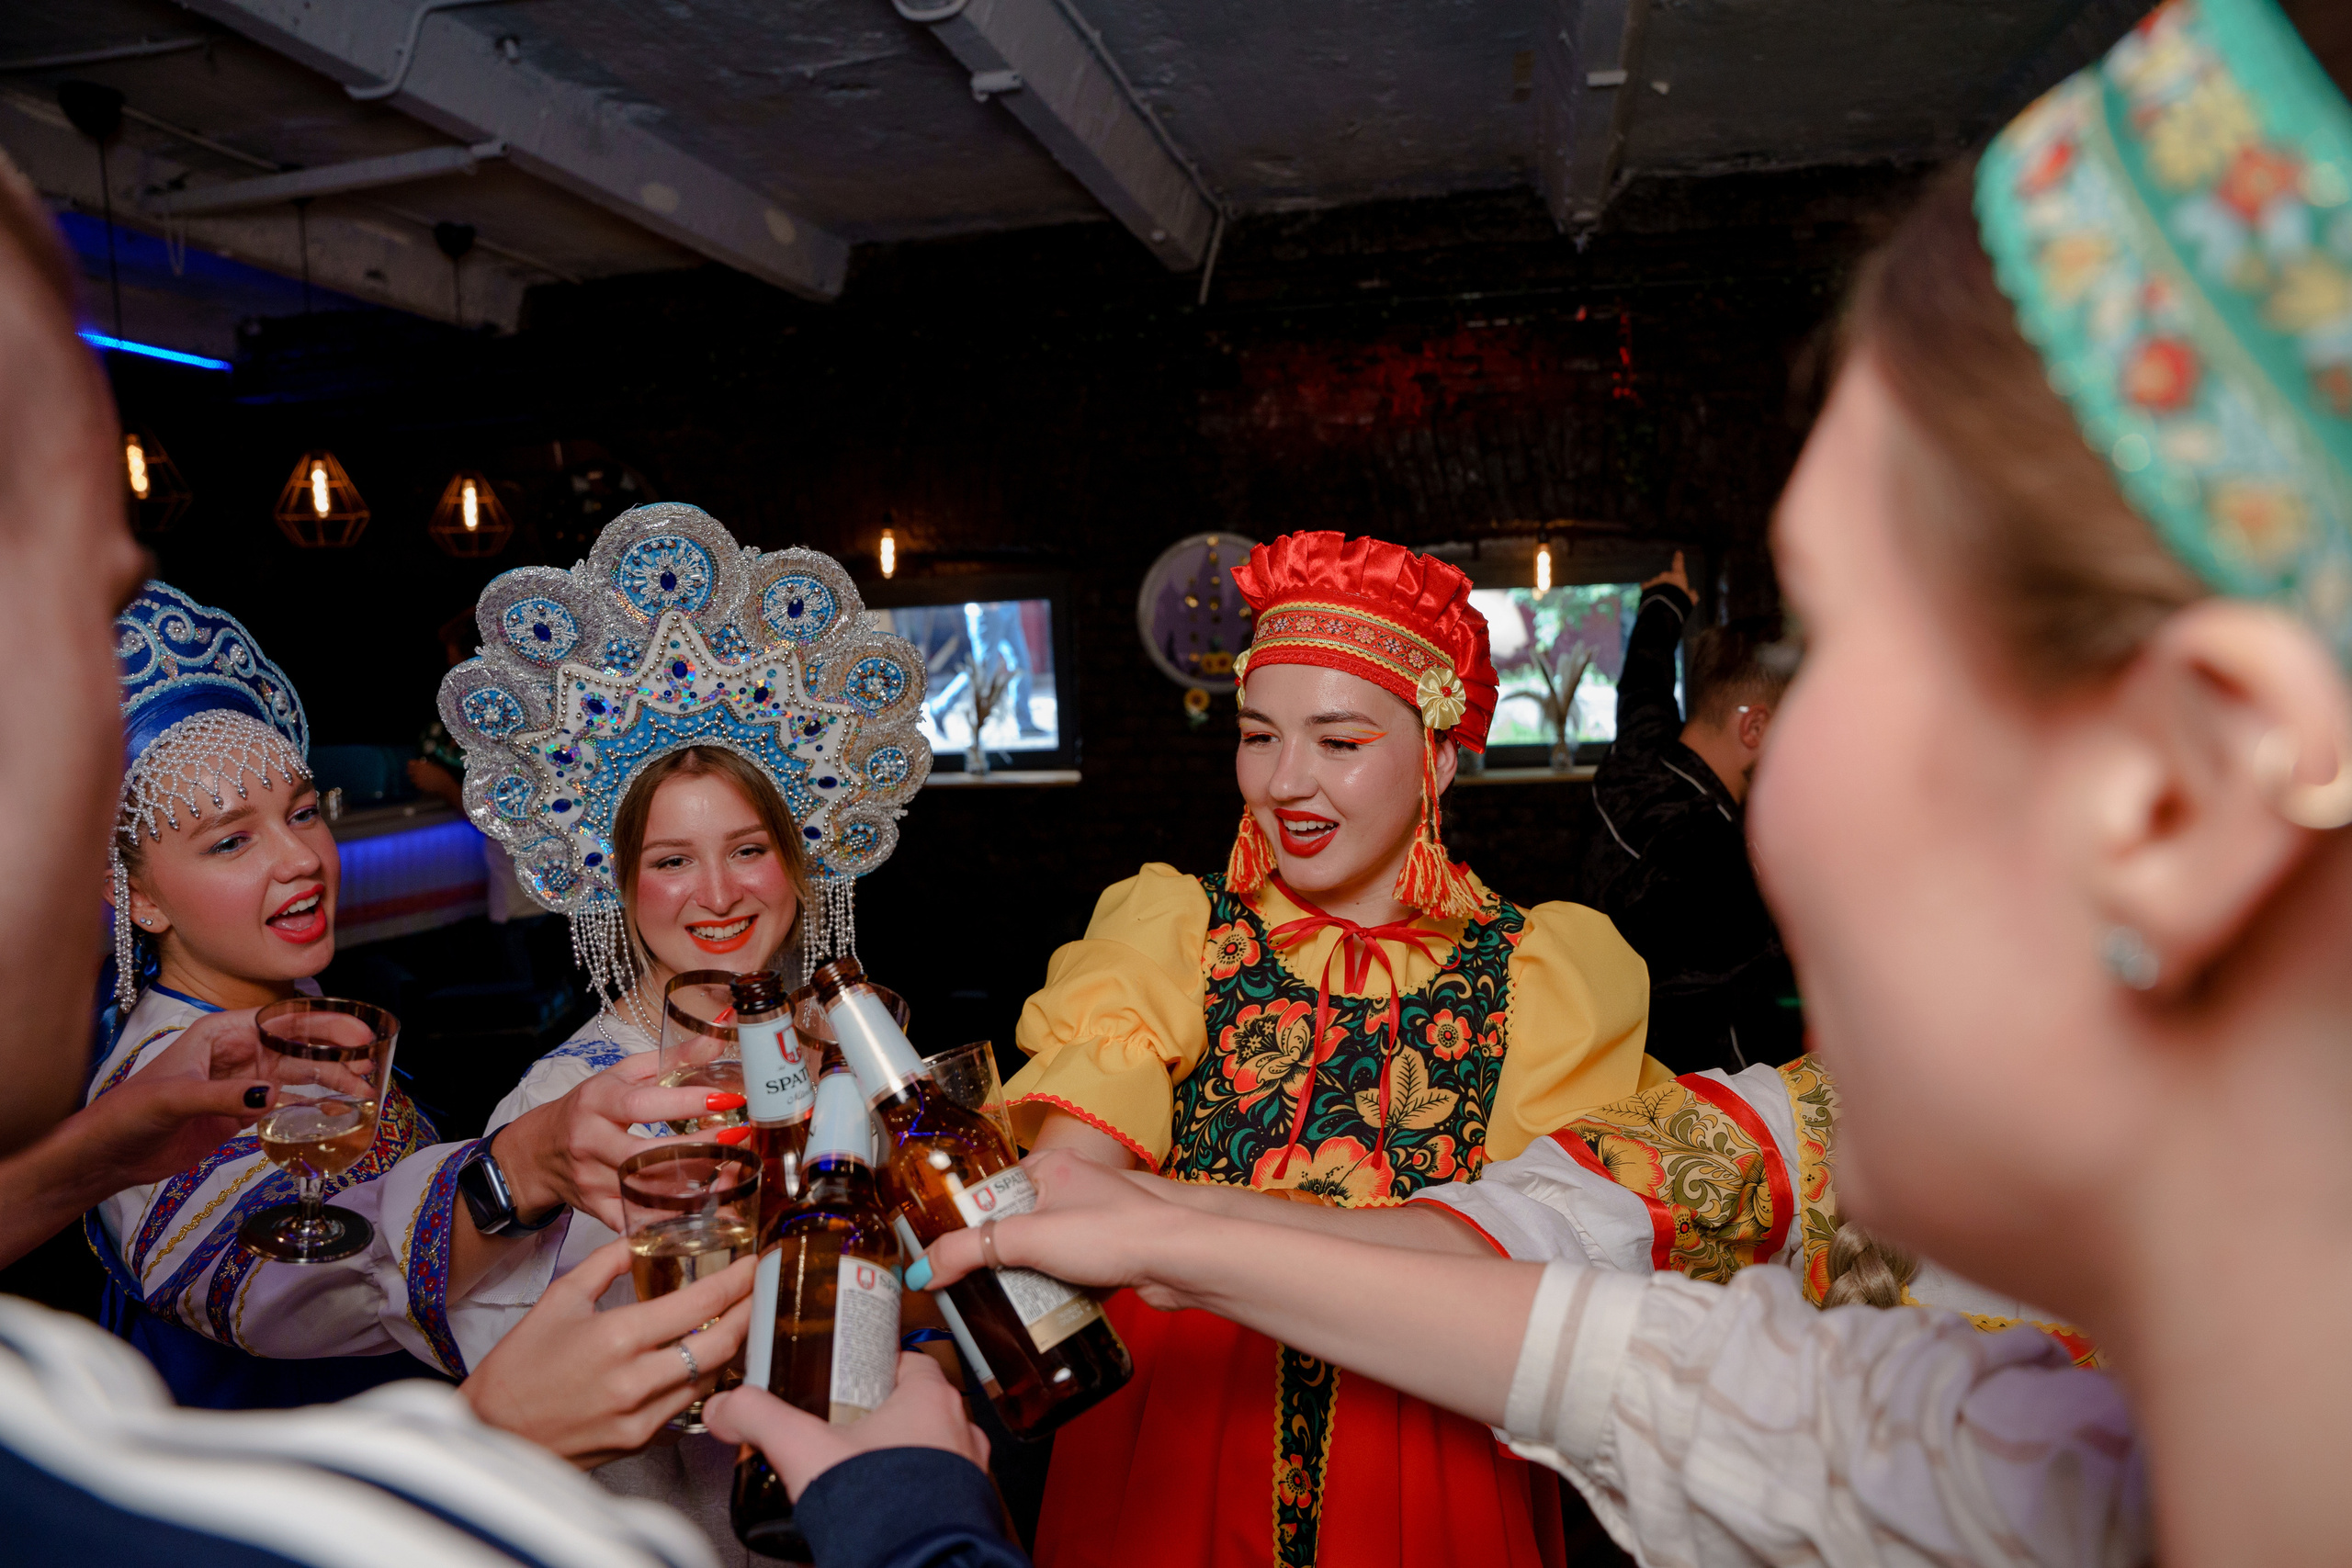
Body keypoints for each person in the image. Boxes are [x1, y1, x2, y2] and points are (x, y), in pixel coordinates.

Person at [898, 2, 2352, 1562]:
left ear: (2177, 794)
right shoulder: (2006, 1457)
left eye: (1828, 648)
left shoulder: (1555, 976)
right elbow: (1616, 1333)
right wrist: (1159, 1225)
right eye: (1265, 731)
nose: (1753, 776)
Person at [1001, 529, 1661, 1568]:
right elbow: (1066, 1185)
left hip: (1420, 1455)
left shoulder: (1543, 976)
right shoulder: (1171, 932)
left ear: (1439, 755)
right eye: (1259, 736)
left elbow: (1568, 1270)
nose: (1285, 783)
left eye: (1340, 743)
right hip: (1169, 1452)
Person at [88, 581, 742, 1414]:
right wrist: (516, 1167)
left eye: (301, 812)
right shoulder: (161, 1081)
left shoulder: (305, 1020)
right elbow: (264, 1292)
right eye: (230, 840)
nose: (299, 858)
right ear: (137, 897)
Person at [431, 505, 935, 1545]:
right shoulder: (566, 1108)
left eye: (749, 850)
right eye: (669, 861)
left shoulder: (871, 1055)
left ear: (798, 868)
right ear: (619, 886)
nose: (717, 896)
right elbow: (518, 1391)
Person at [1577, 553, 1800, 1073]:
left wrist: (1664, 603)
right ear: (1756, 730)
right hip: (1702, 1114)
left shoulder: (1636, 759)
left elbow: (1644, 688)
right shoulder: (1715, 863)